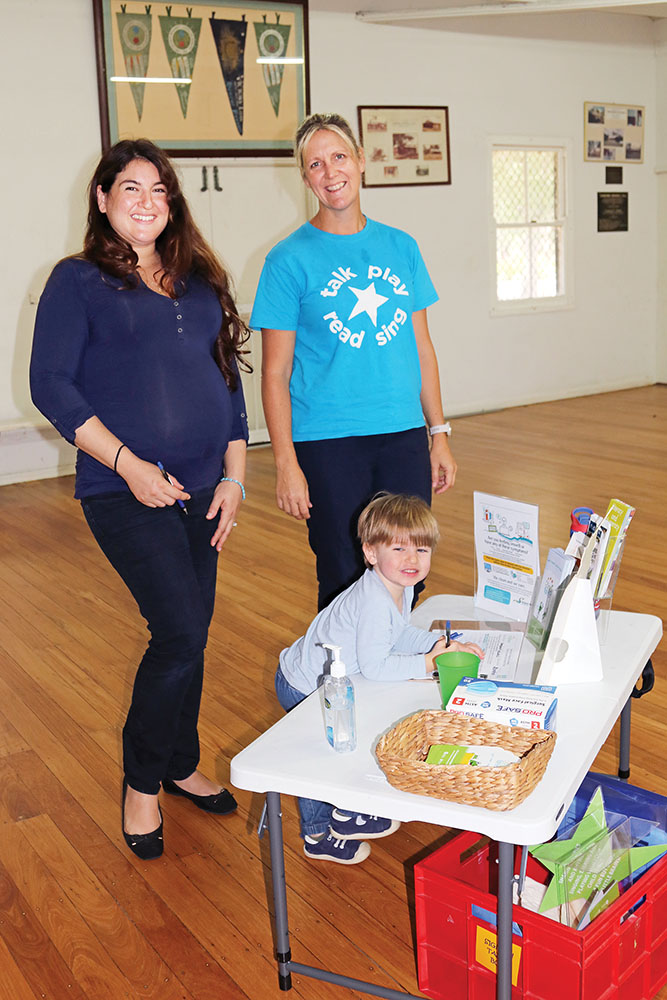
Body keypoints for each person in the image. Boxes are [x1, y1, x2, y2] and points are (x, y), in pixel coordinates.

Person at [30, 139, 250, 860]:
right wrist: (128, 465)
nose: (147, 201)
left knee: (194, 634)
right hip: (124, 491)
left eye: (159, 189)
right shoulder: (77, 280)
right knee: (179, 632)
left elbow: (228, 380)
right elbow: (51, 385)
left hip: (204, 490)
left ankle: (181, 762)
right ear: (102, 199)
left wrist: (235, 475)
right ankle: (142, 784)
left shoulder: (196, 281)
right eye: (131, 188)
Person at [251, 112, 456, 612]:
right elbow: (275, 373)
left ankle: (399, 679)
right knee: (344, 575)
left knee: (408, 570)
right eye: (315, 164)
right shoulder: (288, 260)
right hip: (327, 442)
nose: (329, 172)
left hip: (401, 434)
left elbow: (422, 349)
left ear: (361, 162)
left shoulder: (401, 247)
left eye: (339, 156)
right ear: (305, 178)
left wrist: (439, 433)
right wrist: (286, 464)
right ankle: (343, 688)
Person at [275, 493, 483, 864]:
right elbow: (375, 666)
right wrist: (427, 665)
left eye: (422, 550)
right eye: (399, 548)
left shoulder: (397, 589)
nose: (412, 560)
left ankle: (347, 810)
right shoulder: (373, 599)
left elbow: (398, 635)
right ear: (370, 553)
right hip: (304, 686)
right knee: (322, 756)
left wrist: (441, 644)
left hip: (333, 678)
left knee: (350, 735)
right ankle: (319, 833)